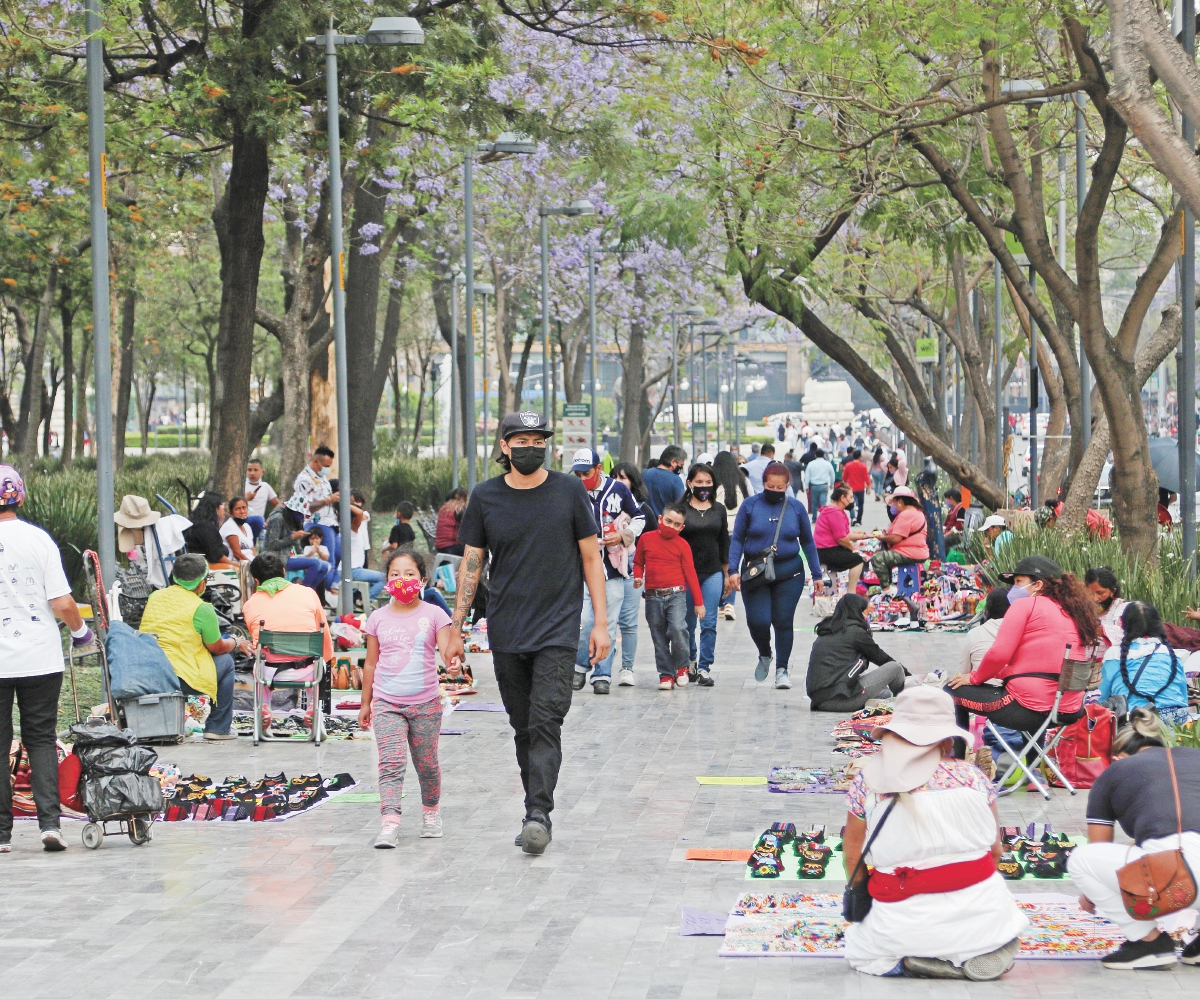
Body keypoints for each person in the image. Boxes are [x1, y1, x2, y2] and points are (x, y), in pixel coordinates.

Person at [446, 412, 610, 856]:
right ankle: (533, 806)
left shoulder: (569, 490)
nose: (529, 447)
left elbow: (592, 560)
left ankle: (539, 812)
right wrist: (456, 627)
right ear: (504, 447)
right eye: (521, 440)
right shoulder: (485, 496)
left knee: (545, 720)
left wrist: (599, 623)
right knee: (523, 726)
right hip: (506, 628)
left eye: (538, 440)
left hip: (558, 629)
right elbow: (472, 564)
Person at [842, 687, 1026, 979]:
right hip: (981, 915)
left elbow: (853, 857)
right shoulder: (972, 777)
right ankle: (981, 946)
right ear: (947, 738)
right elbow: (995, 852)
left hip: (901, 918)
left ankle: (906, 961)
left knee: (860, 952)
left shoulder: (868, 782)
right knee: (1000, 928)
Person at [0, 465, 92, 853]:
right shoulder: (39, 541)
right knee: (39, 737)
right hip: (39, 657)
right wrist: (81, 633)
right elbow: (62, 602)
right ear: (20, 495)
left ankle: (1, 834)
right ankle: (49, 825)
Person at [1066, 708, 1200, 970]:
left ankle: (1148, 943)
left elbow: (1099, 846)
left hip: (1178, 880)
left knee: (1081, 860)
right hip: (1188, 873)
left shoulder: (1115, 772)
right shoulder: (1195, 757)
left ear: (1118, 758)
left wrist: (1090, 896)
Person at [946, 556, 1100, 749]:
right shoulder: (1072, 612)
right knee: (1032, 691)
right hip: (1069, 709)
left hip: (1028, 708)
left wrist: (975, 677)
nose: (1013, 589)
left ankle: (960, 766)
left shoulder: (1025, 605)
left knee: (950, 691)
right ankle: (1032, 768)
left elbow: (999, 654)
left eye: (1019, 582)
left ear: (1038, 585)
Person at [359, 548, 457, 847]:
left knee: (427, 765)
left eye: (409, 574)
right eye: (395, 574)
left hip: (426, 704)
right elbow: (371, 663)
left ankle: (431, 812)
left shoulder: (435, 614)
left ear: (423, 579)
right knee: (391, 763)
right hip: (387, 704)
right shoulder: (377, 618)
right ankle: (389, 823)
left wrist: (452, 659)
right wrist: (366, 703)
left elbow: (445, 647)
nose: (402, 579)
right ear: (387, 581)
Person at [728, 461, 824, 689]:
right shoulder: (750, 506)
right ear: (763, 484)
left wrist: (817, 573)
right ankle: (764, 653)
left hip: (789, 572)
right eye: (770, 486)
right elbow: (737, 539)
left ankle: (782, 669)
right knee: (758, 621)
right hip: (755, 572)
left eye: (780, 488)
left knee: (782, 621)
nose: (775, 491)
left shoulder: (796, 508)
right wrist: (732, 569)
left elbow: (808, 542)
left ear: (787, 486)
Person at [139, 553, 252, 742]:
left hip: (150, 674)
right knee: (226, 661)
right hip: (179, 679)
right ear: (201, 582)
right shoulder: (202, 608)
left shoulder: (155, 597)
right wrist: (236, 642)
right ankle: (218, 728)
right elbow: (217, 647)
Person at [569, 448, 645, 694]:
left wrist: (623, 536)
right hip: (580, 568)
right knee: (584, 620)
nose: (581, 478)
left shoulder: (619, 489)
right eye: (577, 473)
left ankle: (602, 674)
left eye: (586, 473)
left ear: (598, 469)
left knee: (609, 623)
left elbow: (640, 517)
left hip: (612, 567)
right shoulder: (570, 490)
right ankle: (580, 666)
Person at [634, 502, 705, 690]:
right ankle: (666, 674)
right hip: (652, 596)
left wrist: (699, 603)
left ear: (682, 528)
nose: (671, 526)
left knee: (679, 628)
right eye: (668, 521)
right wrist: (637, 577)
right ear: (660, 519)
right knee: (658, 637)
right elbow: (638, 562)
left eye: (676, 524)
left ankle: (682, 667)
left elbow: (690, 573)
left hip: (676, 594)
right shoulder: (646, 539)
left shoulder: (682, 545)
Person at [806, 594, 906, 711]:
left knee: (884, 694)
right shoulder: (854, 632)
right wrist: (909, 676)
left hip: (820, 701)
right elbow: (881, 658)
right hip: (839, 699)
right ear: (857, 612)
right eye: (866, 613)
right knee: (896, 669)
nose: (867, 617)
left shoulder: (829, 629)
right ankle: (906, 703)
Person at [1099, 602, 1190, 724]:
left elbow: (1101, 698)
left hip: (1133, 723)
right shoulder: (1173, 656)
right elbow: (1183, 698)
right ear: (1158, 623)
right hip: (1173, 725)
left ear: (1124, 624)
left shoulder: (1115, 655)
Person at [679, 464, 728, 687]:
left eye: (708, 482)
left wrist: (727, 573)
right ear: (689, 483)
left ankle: (705, 667)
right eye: (699, 482)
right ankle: (690, 661)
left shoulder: (718, 509)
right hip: (685, 573)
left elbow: (723, 541)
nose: (703, 487)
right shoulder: (679, 509)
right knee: (687, 622)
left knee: (709, 622)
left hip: (713, 571)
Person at [611, 462, 656, 686]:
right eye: (615, 477)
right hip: (606, 568)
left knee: (628, 622)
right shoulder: (604, 508)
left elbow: (653, 543)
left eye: (624, 477)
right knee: (606, 620)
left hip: (633, 569)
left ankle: (626, 668)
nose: (619, 481)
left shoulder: (643, 511)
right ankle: (603, 666)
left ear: (633, 482)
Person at [241, 553, 333, 661]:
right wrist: (327, 663)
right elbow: (324, 635)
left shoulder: (250, 605)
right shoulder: (308, 593)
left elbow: (257, 640)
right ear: (284, 572)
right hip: (311, 671)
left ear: (256, 581)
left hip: (267, 673)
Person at [261, 498, 337, 601]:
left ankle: (310, 593)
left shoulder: (295, 520)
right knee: (314, 563)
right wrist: (292, 537)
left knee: (324, 566)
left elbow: (297, 545)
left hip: (289, 556)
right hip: (276, 558)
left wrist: (304, 557)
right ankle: (302, 596)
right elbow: (272, 544)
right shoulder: (278, 519)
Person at [870, 487, 929, 587]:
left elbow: (895, 538)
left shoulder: (906, 514)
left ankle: (887, 589)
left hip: (909, 553)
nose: (893, 506)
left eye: (894, 503)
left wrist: (881, 537)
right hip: (917, 552)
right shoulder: (917, 513)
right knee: (884, 556)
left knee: (878, 558)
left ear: (900, 501)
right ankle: (891, 586)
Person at [813, 485, 869, 588]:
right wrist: (854, 549)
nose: (852, 501)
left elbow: (845, 535)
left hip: (824, 549)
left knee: (858, 553)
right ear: (842, 498)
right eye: (851, 497)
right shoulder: (834, 513)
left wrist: (865, 536)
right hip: (826, 551)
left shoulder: (833, 510)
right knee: (858, 559)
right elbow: (841, 539)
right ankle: (851, 591)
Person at [293, 445, 341, 564]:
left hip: (331, 523)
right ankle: (328, 582)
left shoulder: (322, 477)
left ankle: (334, 582)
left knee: (338, 555)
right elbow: (305, 506)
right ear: (316, 461)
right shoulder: (304, 480)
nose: (327, 469)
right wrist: (328, 500)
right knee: (328, 561)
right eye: (326, 466)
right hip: (318, 524)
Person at [959, 587, 1010, 674]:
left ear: (986, 611)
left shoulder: (974, 634)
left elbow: (963, 671)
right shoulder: (1023, 635)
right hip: (1011, 686)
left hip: (980, 684)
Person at [347, 489, 384, 602]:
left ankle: (361, 598)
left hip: (362, 549)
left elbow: (362, 516)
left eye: (357, 502)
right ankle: (363, 600)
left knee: (366, 577)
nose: (355, 504)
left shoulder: (364, 514)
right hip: (354, 561)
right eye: (352, 501)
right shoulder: (350, 524)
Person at [183, 493, 238, 567]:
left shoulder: (200, 524)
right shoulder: (205, 527)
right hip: (203, 567)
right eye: (221, 505)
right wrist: (237, 566)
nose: (223, 508)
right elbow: (216, 556)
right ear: (215, 508)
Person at [1085, 566, 1128, 648]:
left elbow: (1129, 634)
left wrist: (1102, 630)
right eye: (1089, 593)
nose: (1094, 598)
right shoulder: (1082, 608)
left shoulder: (1124, 610)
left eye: (1100, 593)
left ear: (1113, 591)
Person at [642, 445, 687, 516]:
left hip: (645, 522)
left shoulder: (645, 474)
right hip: (665, 523)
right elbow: (681, 506)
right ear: (673, 462)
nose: (681, 468)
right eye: (681, 465)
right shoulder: (676, 480)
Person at [244, 458, 279, 543]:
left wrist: (269, 519)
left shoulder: (265, 486)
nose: (252, 473)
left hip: (260, 524)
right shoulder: (242, 485)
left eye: (255, 470)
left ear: (262, 472)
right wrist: (246, 498)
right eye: (249, 470)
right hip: (244, 521)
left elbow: (277, 504)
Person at [219, 496, 255, 563]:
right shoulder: (229, 526)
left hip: (251, 563)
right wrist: (254, 567)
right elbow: (238, 554)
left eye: (244, 508)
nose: (242, 511)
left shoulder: (247, 527)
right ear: (231, 513)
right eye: (238, 509)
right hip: (237, 565)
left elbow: (253, 551)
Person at [434, 488, 468, 556]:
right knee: (477, 553)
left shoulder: (444, 507)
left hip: (439, 545)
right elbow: (469, 527)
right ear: (465, 498)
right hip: (452, 546)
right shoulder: (459, 509)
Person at [841, 449, 870, 526]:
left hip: (851, 488)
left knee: (851, 503)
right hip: (861, 488)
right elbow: (866, 477)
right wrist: (869, 486)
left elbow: (844, 477)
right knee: (861, 504)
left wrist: (843, 483)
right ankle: (859, 520)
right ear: (860, 457)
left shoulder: (848, 465)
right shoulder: (863, 465)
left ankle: (853, 518)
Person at [804, 448, 836, 516]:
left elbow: (807, 476)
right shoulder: (827, 464)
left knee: (814, 503)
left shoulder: (811, 464)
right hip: (824, 485)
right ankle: (823, 518)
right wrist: (832, 485)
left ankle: (814, 518)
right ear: (824, 455)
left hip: (814, 486)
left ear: (815, 455)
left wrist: (806, 486)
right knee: (823, 503)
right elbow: (832, 475)